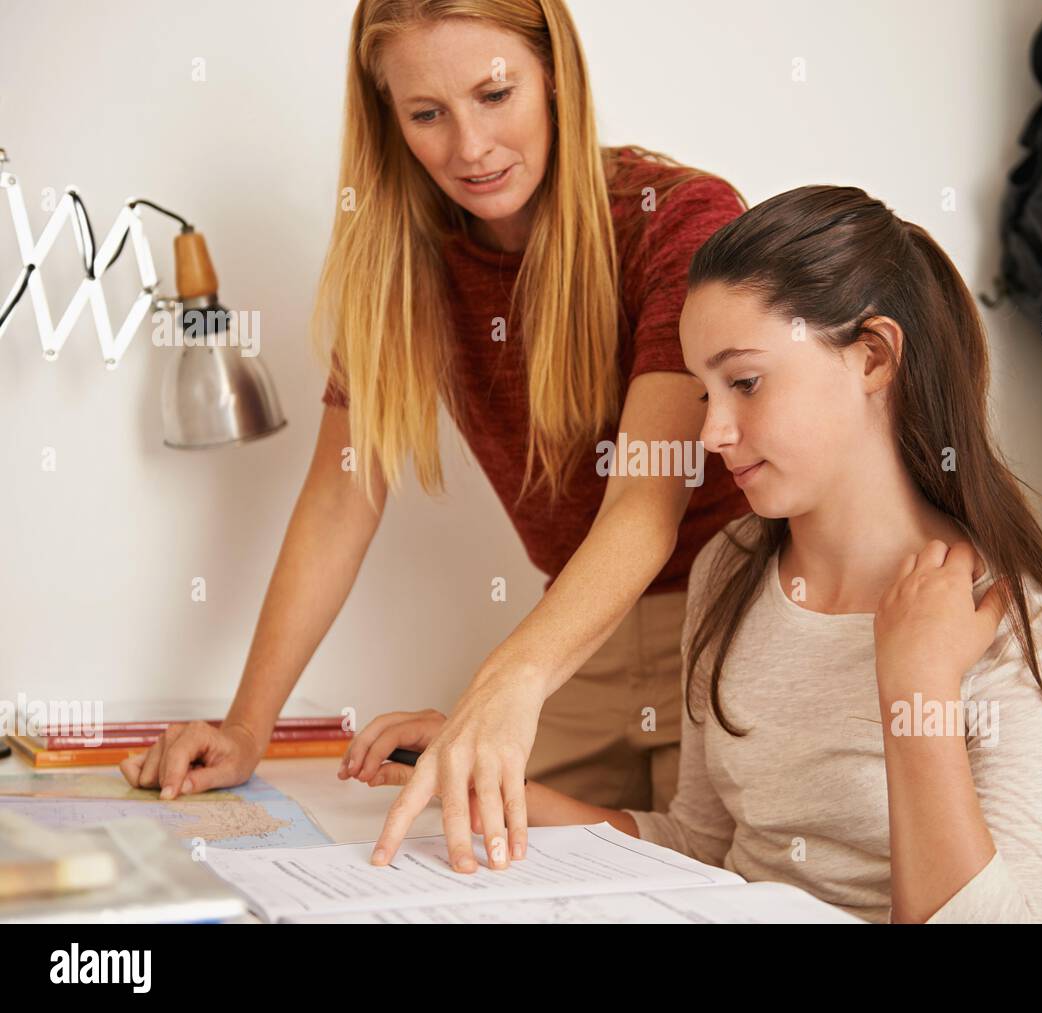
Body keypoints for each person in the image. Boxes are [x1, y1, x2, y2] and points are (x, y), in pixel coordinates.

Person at [120, 0, 751, 877]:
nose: (470, 148)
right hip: (585, 642)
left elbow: (645, 503)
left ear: (555, 75)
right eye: (427, 114)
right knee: (483, 863)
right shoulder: (404, 259)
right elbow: (344, 493)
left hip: (738, 626)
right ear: (389, 117)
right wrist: (244, 725)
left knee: (719, 880)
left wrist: (500, 685)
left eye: (495, 94)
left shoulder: (674, 221)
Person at [431, 185, 1042, 921]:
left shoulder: (1026, 628)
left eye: (746, 382)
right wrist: (492, 781)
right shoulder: (730, 568)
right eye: (707, 393)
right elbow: (702, 845)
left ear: (872, 357)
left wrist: (917, 683)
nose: (713, 434)